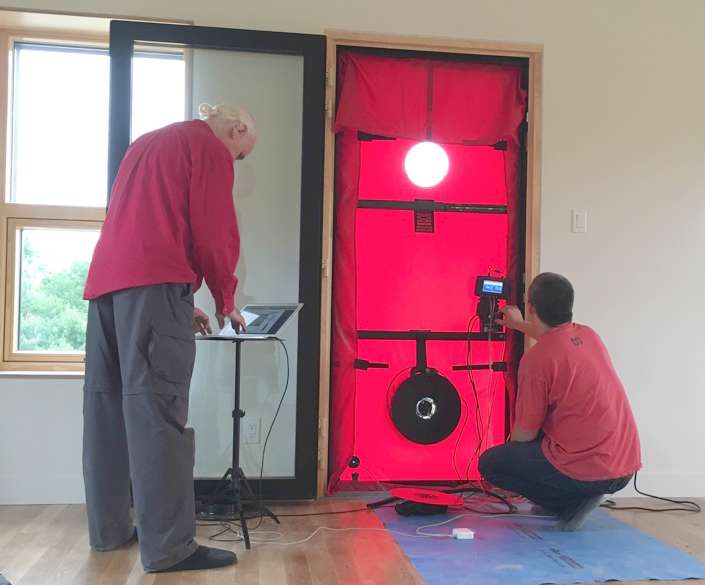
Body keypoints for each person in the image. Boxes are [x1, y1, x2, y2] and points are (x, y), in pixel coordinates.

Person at [81, 103, 256, 572]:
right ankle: (170, 548)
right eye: (242, 154)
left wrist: (182, 301)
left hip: (107, 288)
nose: (236, 161)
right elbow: (214, 232)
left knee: (106, 411)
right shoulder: (208, 147)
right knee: (158, 411)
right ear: (236, 129)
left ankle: (109, 530)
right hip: (153, 286)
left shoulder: (146, 144)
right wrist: (225, 298)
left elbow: (145, 225)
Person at [479, 272, 641, 531]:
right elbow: (552, 337)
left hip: (592, 470)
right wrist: (519, 325)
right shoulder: (588, 335)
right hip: (624, 467)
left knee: (493, 463)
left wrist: (514, 452)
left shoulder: (536, 360)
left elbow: (524, 434)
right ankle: (575, 494)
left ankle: (569, 503)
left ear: (531, 308)